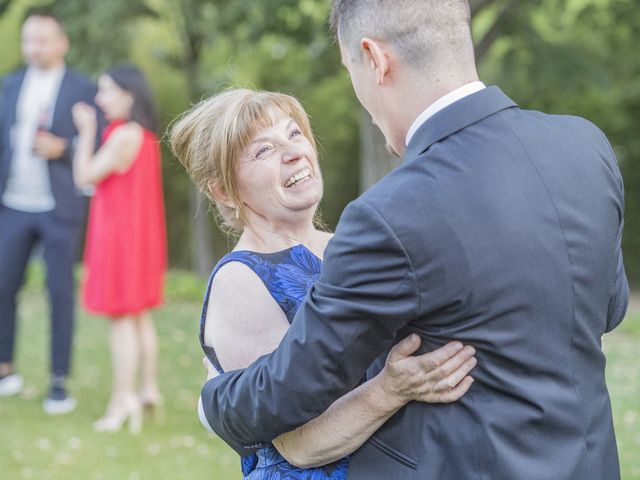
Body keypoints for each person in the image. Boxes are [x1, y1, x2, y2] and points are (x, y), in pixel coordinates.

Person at [199, 1, 629, 479]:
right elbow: (609, 307)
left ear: (375, 60)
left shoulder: (390, 214)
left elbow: (291, 389)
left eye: (351, 71)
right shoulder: (585, 146)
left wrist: (213, 397)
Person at [169, 89, 477, 479]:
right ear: (224, 191)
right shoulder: (240, 281)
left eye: (295, 134)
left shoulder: (347, 248)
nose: (294, 152)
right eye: (263, 150)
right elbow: (299, 444)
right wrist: (390, 390)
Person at [0, 9, 98, 414]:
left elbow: (98, 143)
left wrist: (65, 148)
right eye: (28, 40)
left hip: (59, 206)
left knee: (59, 293)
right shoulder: (10, 84)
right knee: (3, 288)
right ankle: (5, 369)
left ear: (62, 43)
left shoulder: (83, 88)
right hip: (12, 204)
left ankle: (59, 382)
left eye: (42, 39)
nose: (33, 47)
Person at [72, 64, 166, 433]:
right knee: (140, 316)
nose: (100, 98)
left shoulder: (123, 135)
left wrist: (86, 132)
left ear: (128, 94)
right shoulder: (142, 135)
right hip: (140, 238)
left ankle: (122, 398)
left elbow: (85, 176)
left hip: (118, 238)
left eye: (107, 90)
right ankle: (147, 389)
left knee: (122, 318)